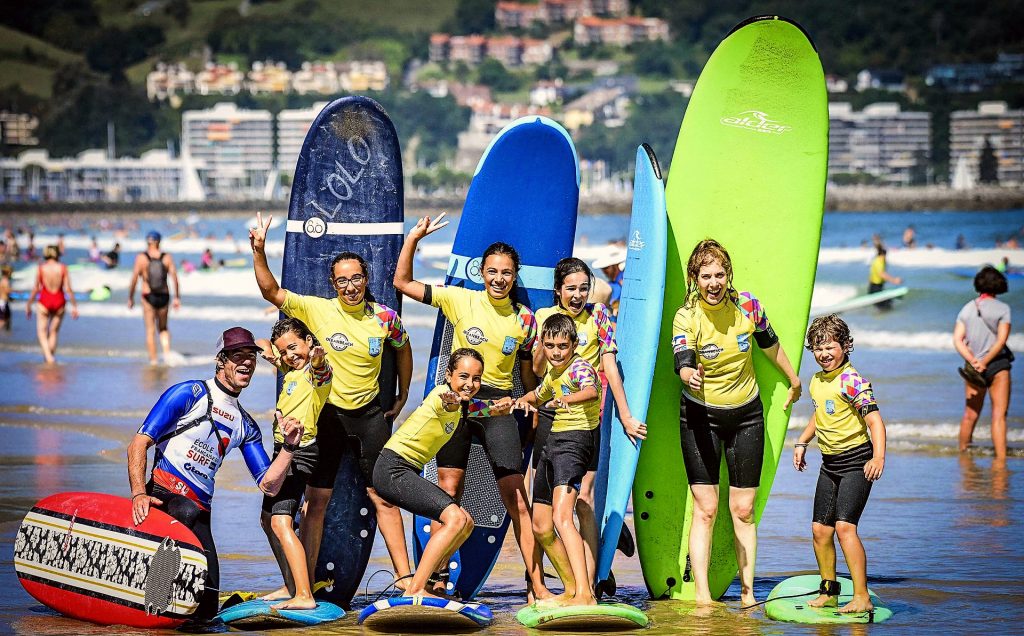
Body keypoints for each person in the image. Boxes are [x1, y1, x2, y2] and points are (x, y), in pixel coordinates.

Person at [249, 212, 415, 588]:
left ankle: (405, 577)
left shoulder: (384, 317)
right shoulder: (317, 310)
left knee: (383, 497)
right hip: (325, 420)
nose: (350, 285)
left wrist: (403, 392)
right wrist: (259, 251)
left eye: (356, 278)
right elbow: (271, 293)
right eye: (342, 280)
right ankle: (304, 584)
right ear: (333, 283)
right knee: (316, 502)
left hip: (369, 417)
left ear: (366, 278)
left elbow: (403, 349)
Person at [394, 213, 550, 601]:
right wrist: (413, 237)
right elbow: (402, 283)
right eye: (493, 271)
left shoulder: (525, 319)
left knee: (516, 496)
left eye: (507, 272)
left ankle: (537, 585)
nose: (499, 278)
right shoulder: (459, 299)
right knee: (448, 489)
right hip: (460, 407)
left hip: (498, 409)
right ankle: (439, 578)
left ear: (515, 276)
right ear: (482, 272)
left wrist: (530, 406)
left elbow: (528, 375)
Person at [127, 327, 305, 621]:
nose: (247, 362)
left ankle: (177, 605)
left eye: (251, 356)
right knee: (185, 511)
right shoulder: (190, 393)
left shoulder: (245, 425)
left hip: (199, 511)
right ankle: (154, 592)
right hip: (163, 496)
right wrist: (138, 494)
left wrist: (289, 447)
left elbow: (269, 486)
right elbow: (139, 443)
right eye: (238, 355)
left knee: (207, 609)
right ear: (221, 360)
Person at [671, 239, 801, 606]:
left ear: (728, 275)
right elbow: (681, 356)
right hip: (700, 417)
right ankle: (702, 596)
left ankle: (747, 594)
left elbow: (769, 344)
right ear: (694, 278)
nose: (713, 282)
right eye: (706, 275)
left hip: (747, 415)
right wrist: (686, 373)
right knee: (706, 508)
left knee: (743, 510)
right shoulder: (688, 316)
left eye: (719, 274)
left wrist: (792, 378)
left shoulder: (749, 306)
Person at [533, 257, 646, 583]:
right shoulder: (544, 317)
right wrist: (545, 340)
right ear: (558, 289)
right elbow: (538, 371)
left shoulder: (599, 316)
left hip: (587, 422)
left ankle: (594, 577)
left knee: (583, 499)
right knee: (546, 508)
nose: (578, 294)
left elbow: (610, 367)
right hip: (550, 419)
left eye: (584, 287)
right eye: (571, 288)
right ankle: (557, 581)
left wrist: (625, 414)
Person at [374, 348, 512, 598]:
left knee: (466, 523)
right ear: (448, 375)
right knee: (456, 519)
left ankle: (432, 575)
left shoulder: (464, 407)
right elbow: (446, 402)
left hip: (404, 470)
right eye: (463, 376)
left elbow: (484, 409)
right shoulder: (442, 395)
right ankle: (415, 589)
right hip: (392, 468)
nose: (470, 384)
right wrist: (450, 400)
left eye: (476, 378)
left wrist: (509, 405)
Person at [793, 314, 887, 614]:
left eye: (830, 347)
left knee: (845, 527)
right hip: (829, 463)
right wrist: (802, 441)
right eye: (818, 349)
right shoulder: (818, 381)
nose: (824, 354)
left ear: (845, 346)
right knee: (820, 530)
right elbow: (820, 415)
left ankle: (861, 596)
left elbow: (875, 421)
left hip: (857, 462)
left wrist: (878, 456)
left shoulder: (852, 380)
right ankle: (829, 592)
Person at [515, 314, 601, 607]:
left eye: (562, 346)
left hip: (575, 443)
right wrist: (516, 401)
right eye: (550, 346)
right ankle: (569, 588)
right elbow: (537, 395)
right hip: (552, 445)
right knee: (541, 525)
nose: (556, 352)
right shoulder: (553, 373)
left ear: (574, 344)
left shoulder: (579, 368)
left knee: (562, 517)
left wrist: (569, 399)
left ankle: (585, 594)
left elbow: (592, 391)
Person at [255, 318, 333, 610]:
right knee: (267, 519)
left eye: (294, 347)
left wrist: (318, 358)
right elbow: (269, 349)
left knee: (280, 521)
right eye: (284, 351)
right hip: (282, 450)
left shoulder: (315, 373)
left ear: (309, 341)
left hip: (299, 451)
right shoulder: (290, 370)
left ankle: (305, 594)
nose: (290, 354)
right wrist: (262, 347)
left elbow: (322, 370)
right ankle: (291, 584)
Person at [954, 266, 1013, 459]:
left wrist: (974, 361)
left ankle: (963, 457)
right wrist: (986, 361)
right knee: (999, 416)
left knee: (970, 415)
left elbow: (957, 340)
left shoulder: (967, 308)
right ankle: (1001, 461)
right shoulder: (1003, 309)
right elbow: (1001, 340)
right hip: (997, 365)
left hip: (973, 369)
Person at [128, 231, 181, 365]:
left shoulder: (141, 258)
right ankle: (167, 355)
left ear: (148, 242)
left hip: (148, 296)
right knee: (163, 328)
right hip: (164, 296)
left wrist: (130, 297)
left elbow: (134, 278)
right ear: (159, 242)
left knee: (150, 330)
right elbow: (175, 278)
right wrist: (177, 298)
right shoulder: (167, 257)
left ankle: (154, 361)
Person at [26, 245, 78, 363]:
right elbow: (68, 289)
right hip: (59, 300)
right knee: (53, 332)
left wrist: (28, 304)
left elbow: (36, 288)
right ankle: (49, 357)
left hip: (45, 300)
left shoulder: (41, 268)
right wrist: (75, 306)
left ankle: (48, 357)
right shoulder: (63, 268)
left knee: (42, 331)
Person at [591, 247, 626, 316]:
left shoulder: (625, 280)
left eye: (606, 268)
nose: (604, 271)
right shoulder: (609, 285)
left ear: (615, 265)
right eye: (602, 268)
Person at [0, 264, 12, 331]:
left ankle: (7, 334)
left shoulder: (2, 280)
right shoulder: (5, 281)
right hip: (3, 302)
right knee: (2, 320)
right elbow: (7, 291)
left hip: (3, 301)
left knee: (7, 317)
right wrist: (14, 290)